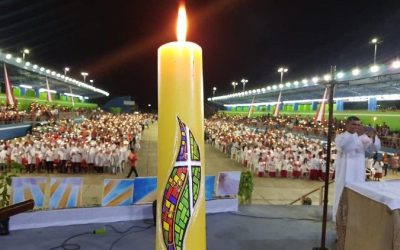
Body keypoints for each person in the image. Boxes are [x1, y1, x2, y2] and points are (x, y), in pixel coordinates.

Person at [332, 116, 381, 221]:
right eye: (354, 124)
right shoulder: (340, 137)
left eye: (358, 125)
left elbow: (374, 148)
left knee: (357, 195)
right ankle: (338, 218)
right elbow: (346, 148)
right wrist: (357, 136)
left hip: (358, 172)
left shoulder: (363, 138)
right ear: (347, 125)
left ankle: (354, 219)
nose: (356, 127)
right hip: (345, 172)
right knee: (342, 195)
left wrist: (373, 136)